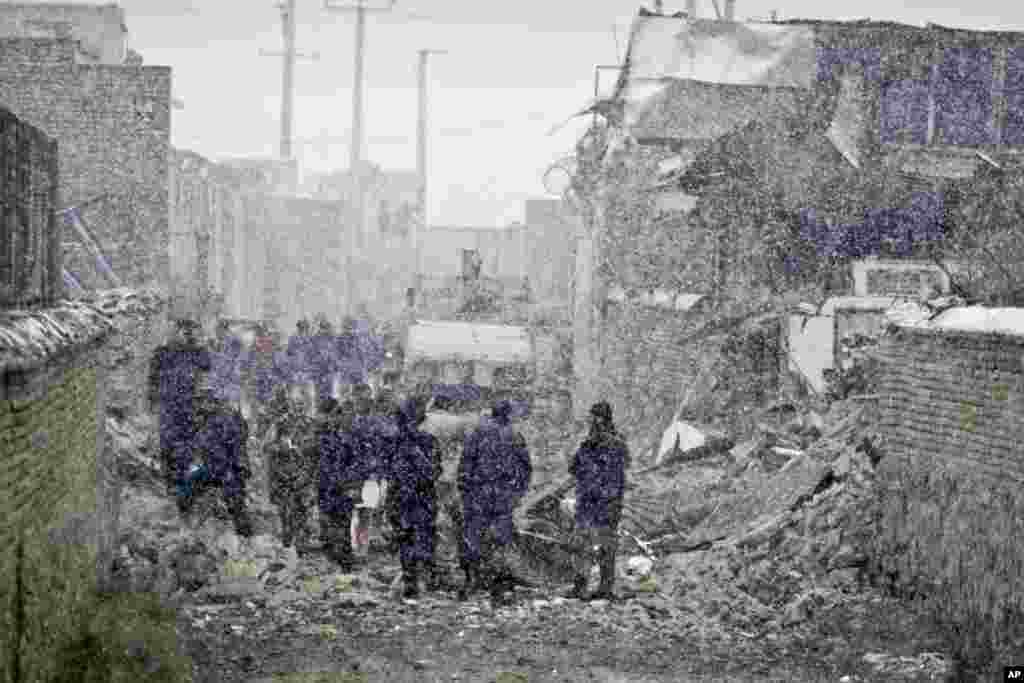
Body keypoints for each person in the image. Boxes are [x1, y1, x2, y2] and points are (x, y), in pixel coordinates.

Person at [458, 399, 532, 604]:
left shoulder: (477, 434)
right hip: (502, 495)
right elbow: (525, 468)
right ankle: (498, 586)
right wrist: (518, 493)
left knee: (473, 537)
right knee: (501, 540)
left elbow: (465, 464)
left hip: (479, 493)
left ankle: (471, 581)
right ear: (508, 415)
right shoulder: (514, 436)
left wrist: (465, 490)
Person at [567, 401, 631, 601]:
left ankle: (598, 588)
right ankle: (588, 587)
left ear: (600, 419)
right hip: (593, 500)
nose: (590, 421)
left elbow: (577, 467)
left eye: (593, 417)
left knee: (601, 544)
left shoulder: (611, 443)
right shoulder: (592, 442)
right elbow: (574, 467)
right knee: (587, 543)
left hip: (603, 501)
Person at [147, 318, 212, 496]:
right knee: (168, 444)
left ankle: (184, 483)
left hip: (189, 405)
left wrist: (198, 343)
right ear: (174, 331)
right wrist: (152, 399)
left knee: (187, 445)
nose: (185, 334)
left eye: (189, 330)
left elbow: (207, 365)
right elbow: (152, 378)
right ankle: (171, 482)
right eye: (183, 330)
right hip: (169, 405)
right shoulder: (163, 352)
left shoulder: (196, 352)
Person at [180, 387, 253, 537]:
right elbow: (195, 447)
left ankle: (244, 533)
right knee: (188, 486)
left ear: (213, 402)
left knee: (235, 498)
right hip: (208, 467)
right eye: (199, 402)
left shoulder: (225, 420)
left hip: (227, 467)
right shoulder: (201, 422)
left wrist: (240, 465)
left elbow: (237, 445)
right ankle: (184, 521)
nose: (201, 405)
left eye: (204, 401)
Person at [390, 396, 442, 599]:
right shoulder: (428, 441)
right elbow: (435, 471)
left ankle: (412, 581)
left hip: (403, 498)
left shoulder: (394, 442)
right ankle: (427, 578)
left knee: (406, 539)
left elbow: (388, 470)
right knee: (424, 537)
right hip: (422, 497)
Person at [315, 398, 361, 569]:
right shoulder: (321, 437)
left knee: (343, 520)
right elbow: (315, 461)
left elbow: (354, 461)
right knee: (331, 521)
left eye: (338, 415)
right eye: (333, 415)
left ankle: (344, 558)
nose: (336, 419)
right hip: (327, 486)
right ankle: (337, 555)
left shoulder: (346, 437)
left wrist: (353, 483)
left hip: (342, 486)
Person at [266, 409, 316, 549]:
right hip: (281, 482)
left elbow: (307, 459)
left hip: (299, 481)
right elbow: (268, 449)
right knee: (285, 513)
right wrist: (278, 448)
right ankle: (288, 540)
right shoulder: (279, 424)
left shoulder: (308, 423)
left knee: (301, 510)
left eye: (301, 406)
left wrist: (302, 477)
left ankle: (300, 541)